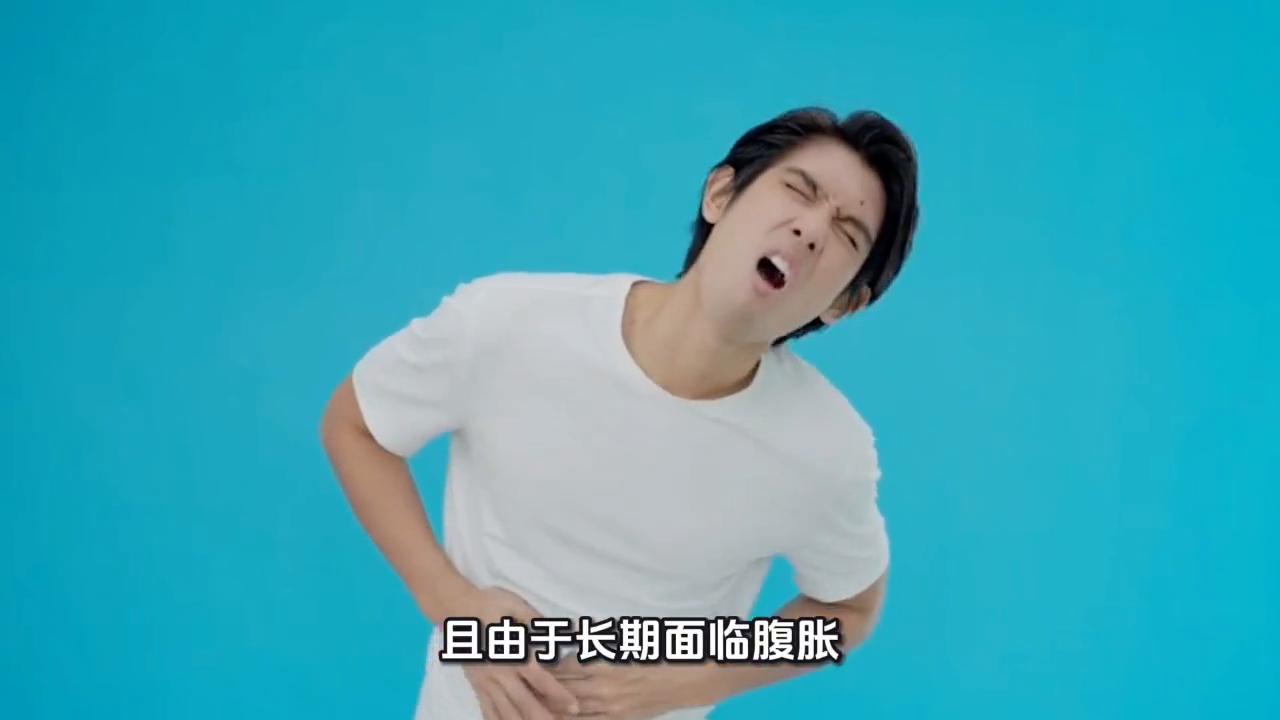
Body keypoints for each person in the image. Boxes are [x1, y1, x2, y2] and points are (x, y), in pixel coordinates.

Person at [320, 106, 920, 720]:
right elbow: (356, 424)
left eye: (847, 234)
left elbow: (849, 609)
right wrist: (453, 605)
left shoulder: (825, 450)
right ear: (721, 193)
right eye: (799, 190)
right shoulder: (507, 323)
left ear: (845, 303)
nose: (811, 230)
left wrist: (688, 680)